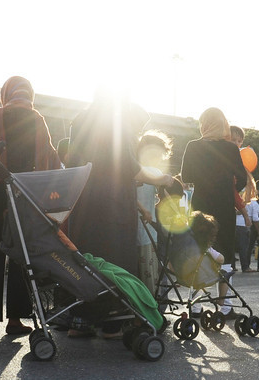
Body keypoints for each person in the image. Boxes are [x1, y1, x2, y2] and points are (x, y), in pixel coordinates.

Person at [67, 93, 178, 335]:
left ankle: (80, 321)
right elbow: (130, 169)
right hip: (112, 210)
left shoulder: (81, 120)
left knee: (87, 262)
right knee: (115, 264)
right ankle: (112, 323)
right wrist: (162, 177)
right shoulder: (120, 125)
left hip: (83, 206)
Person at [0, 76, 60, 337]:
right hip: (25, 192)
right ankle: (15, 320)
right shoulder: (37, 119)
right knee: (22, 253)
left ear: (6, 93)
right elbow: (49, 158)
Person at [180, 108, 249, 314]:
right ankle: (225, 306)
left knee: (199, 249)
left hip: (200, 206)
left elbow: (186, 175)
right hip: (224, 206)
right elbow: (242, 179)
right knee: (225, 250)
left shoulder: (193, 146)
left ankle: (196, 305)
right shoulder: (230, 148)